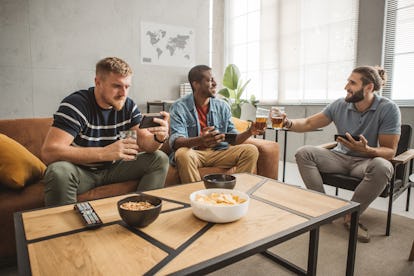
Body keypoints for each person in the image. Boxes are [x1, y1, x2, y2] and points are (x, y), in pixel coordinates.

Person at [282, 66, 401, 243]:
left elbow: (389, 151)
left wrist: (367, 150)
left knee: (384, 166)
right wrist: (288, 122)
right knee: (304, 153)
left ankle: (352, 216)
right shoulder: (340, 104)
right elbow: (307, 123)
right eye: (347, 81)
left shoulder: (388, 109)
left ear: (368, 87)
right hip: (339, 158)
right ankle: (324, 210)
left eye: (352, 83)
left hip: (365, 163)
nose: (346, 87)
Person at [41, 57, 170, 206]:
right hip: (81, 171)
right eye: (117, 86)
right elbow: (49, 152)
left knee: (159, 158)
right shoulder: (76, 104)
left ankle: (140, 210)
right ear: (98, 82)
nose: (123, 93)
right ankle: (67, 229)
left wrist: (159, 138)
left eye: (127, 87)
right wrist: (104, 153)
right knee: (58, 171)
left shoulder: (127, 106)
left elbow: (145, 144)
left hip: (114, 168)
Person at [168, 65, 264, 183]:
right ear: (196, 84)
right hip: (194, 153)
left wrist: (249, 132)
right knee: (181, 154)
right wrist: (201, 140)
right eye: (209, 80)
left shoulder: (222, 106)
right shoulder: (179, 107)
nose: (215, 83)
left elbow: (234, 139)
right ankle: (197, 196)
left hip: (219, 152)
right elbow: (176, 142)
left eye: (214, 79)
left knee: (251, 150)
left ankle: (236, 193)